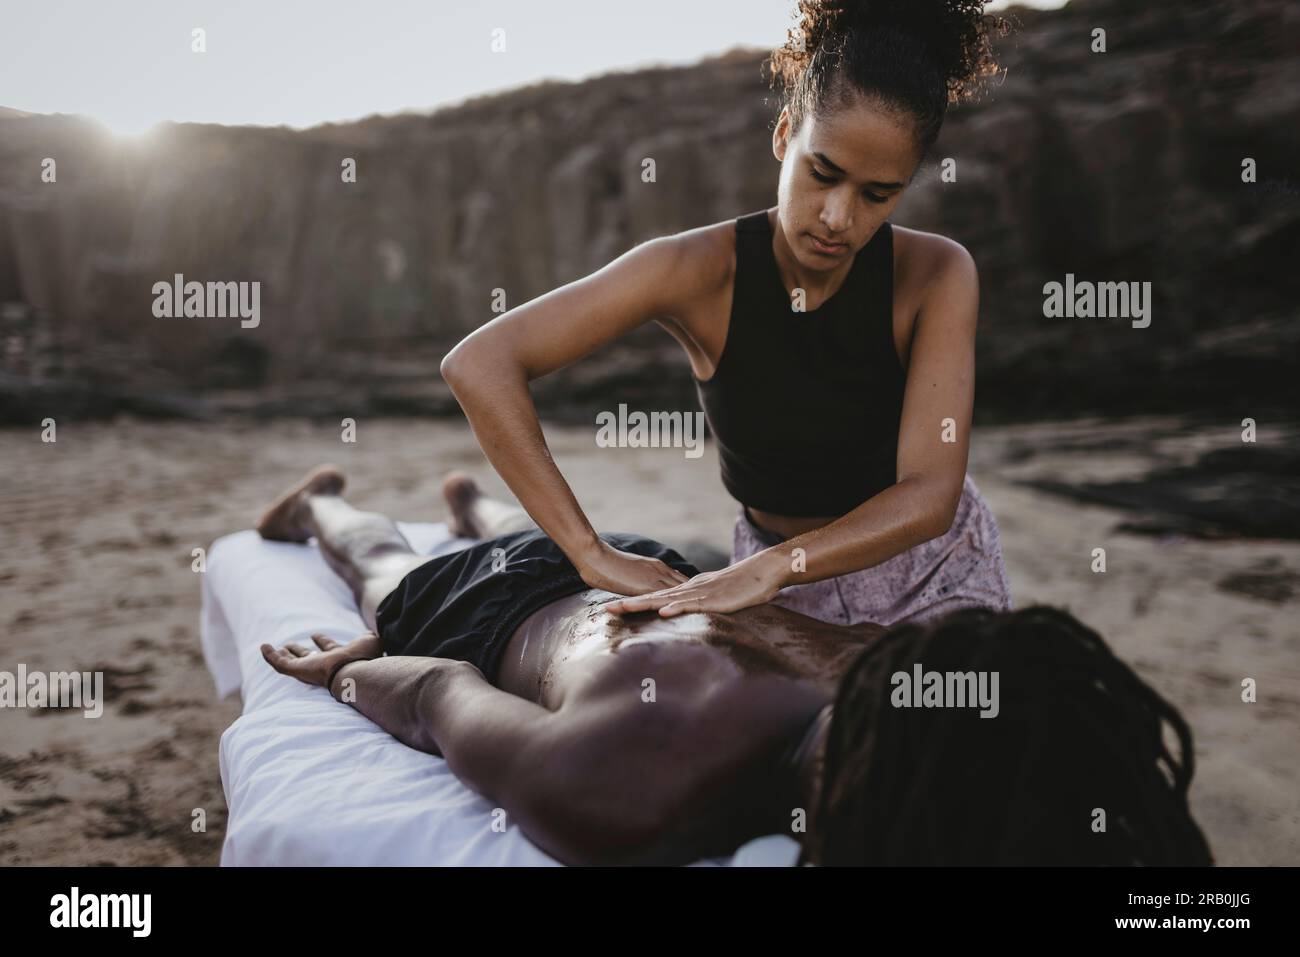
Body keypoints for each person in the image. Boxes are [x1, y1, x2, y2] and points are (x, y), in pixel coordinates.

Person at [255, 466, 1212, 867]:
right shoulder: (624, 787)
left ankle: (479, 504)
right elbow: (435, 689)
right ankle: (320, 510)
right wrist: (347, 670)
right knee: (382, 565)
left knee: (537, 533)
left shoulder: (902, 667)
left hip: (654, 569)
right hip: (503, 608)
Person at [439, 0, 1014, 627]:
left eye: (879, 194)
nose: (838, 218)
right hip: (774, 589)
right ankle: (472, 509)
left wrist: (771, 568)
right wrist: (587, 550)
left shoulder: (938, 273)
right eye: (823, 174)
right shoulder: (691, 270)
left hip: (933, 572)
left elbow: (930, 495)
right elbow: (480, 363)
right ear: (783, 134)